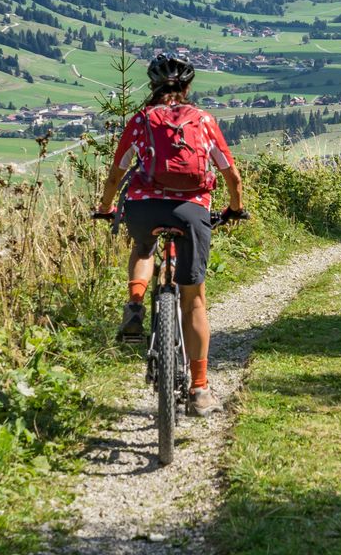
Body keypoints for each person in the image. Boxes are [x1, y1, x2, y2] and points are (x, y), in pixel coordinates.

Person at [95, 53, 246, 417]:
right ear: (187, 87)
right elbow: (232, 176)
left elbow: (117, 174)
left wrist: (105, 208)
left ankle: (134, 304)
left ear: (153, 86)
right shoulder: (204, 121)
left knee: (144, 247)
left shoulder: (142, 120)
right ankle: (199, 389)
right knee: (193, 300)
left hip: (145, 209)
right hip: (192, 211)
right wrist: (235, 209)